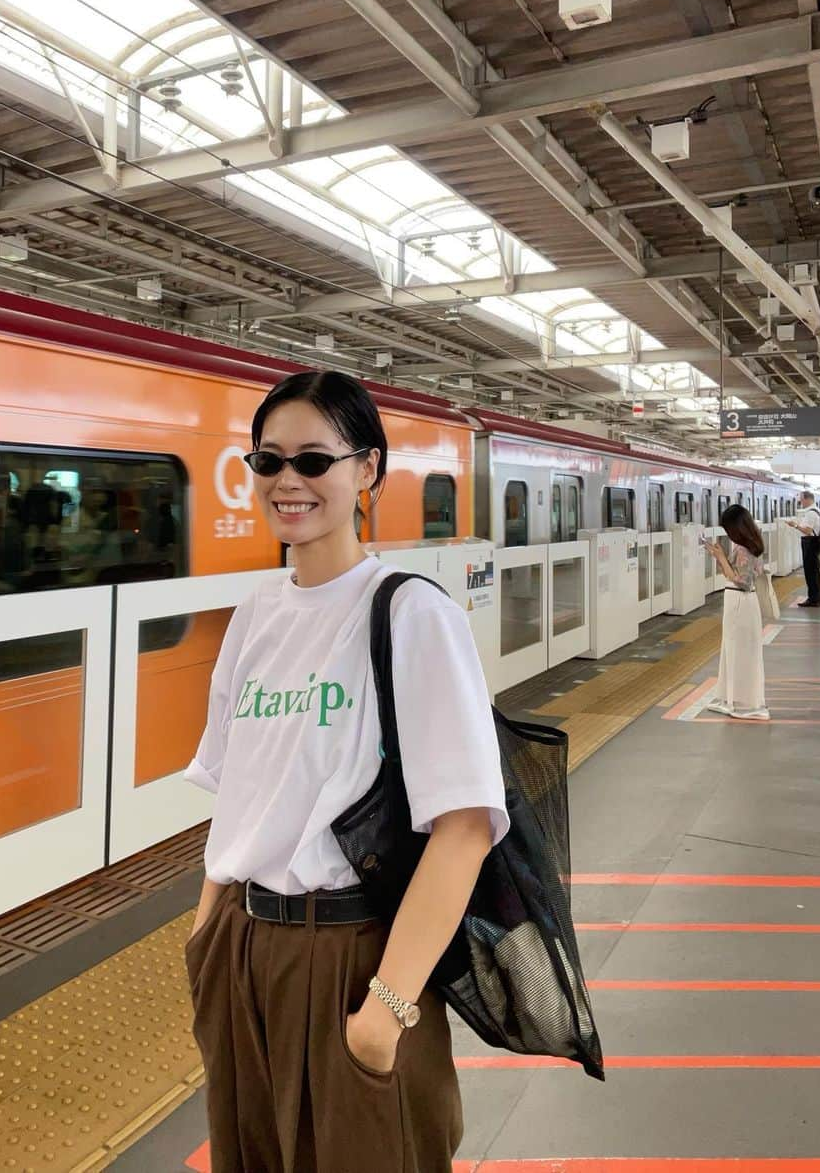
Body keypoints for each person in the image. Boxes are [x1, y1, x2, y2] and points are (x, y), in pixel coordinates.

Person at [183, 370, 509, 1173]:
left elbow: (465, 826)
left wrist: (385, 1011)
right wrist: (206, 935)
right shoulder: (253, 618)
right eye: (268, 462)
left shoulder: (410, 613)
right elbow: (237, 794)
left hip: (354, 957)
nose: (288, 481)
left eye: (313, 460)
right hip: (243, 948)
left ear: (366, 470)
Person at [705, 504, 769, 720]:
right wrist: (719, 556)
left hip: (740, 601)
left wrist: (722, 558)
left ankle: (742, 703)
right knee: (735, 651)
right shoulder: (751, 544)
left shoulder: (743, 549)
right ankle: (731, 698)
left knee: (738, 652)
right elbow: (731, 574)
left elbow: (743, 581)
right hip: (741, 602)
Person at [784, 490, 820, 608]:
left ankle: (814, 599)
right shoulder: (816, 511)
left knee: (810, 572)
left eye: (801, 499)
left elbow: (807, 530)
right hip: (813, 543)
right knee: (814, 572)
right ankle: (815, 598)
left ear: (807, 499)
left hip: (810, 543)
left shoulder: (811, 513)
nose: (800, 502)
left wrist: (795, 525)